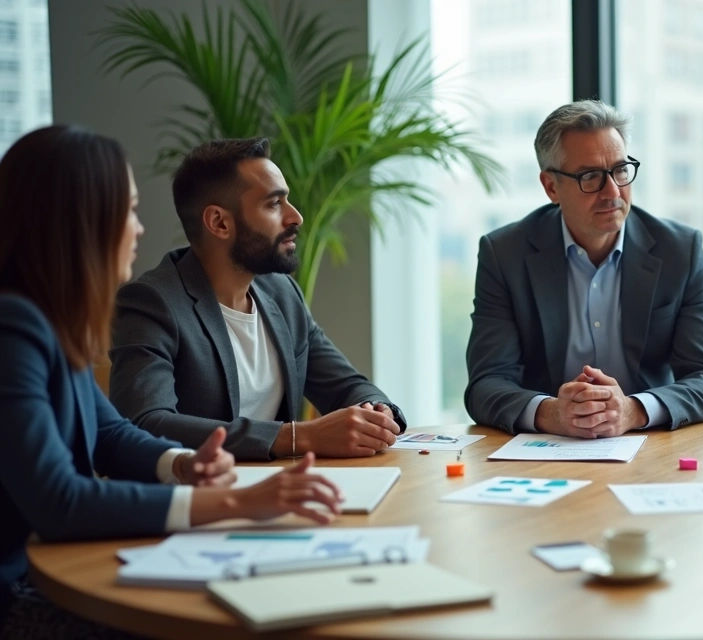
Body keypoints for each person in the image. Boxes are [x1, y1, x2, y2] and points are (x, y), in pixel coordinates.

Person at [0, 126, 344, 635]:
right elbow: (60, 502)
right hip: (21, 594)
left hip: (55, 573)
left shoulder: (49, 322)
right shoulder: (13, 328)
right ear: (79, 223)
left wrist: (184, 465)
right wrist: (235, 502)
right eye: (129, 211)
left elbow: (111, 434)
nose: (138, 230)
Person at [108, 138, 407, 461]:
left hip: (283, 493)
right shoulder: (152, 303)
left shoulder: (282, 293)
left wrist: (376, 412)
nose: (296, 217)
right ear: (220, 223)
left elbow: (345, 385)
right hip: (201, 501)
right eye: (274, 204)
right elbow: (145, 424)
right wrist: (298, 437)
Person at [464, 100, 703, 437]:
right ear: (550, 187)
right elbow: (486, 385)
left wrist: (632, 411)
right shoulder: (505, 254)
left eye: (621, 170)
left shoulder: (680, 250)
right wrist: (552, 414)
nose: (613, 192)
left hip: (648, 448)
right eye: (590, 176)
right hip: (546, 451)